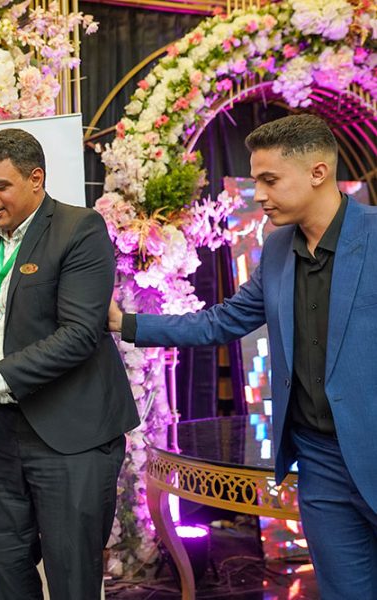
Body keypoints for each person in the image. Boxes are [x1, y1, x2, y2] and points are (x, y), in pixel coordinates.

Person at [108, 114, 377, 599]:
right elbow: (221, 322)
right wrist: (125, 323)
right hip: (320, 464)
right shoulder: (276, 249)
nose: (259, 195)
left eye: (270, 180)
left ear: (318, 172)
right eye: (257, 181)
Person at [0, 128, 140, 599]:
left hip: (72, 435)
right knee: (4, 571)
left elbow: (79, 334)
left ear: (36, 179)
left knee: (72, 578)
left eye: (0, 186)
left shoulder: (80, 229)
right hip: (0, 430)